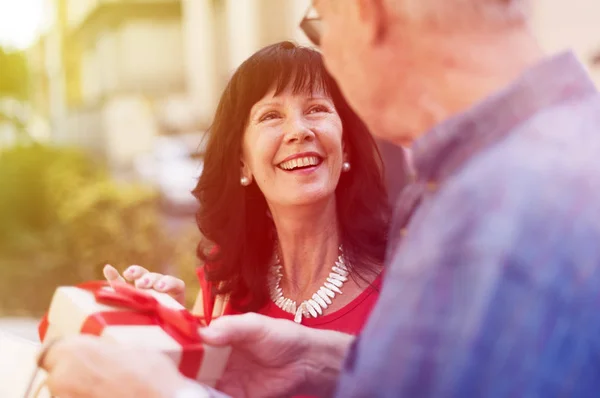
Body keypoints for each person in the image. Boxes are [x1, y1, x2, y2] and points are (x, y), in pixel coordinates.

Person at [39, 0, 600, 397]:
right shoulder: (538, 168)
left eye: (320, 23)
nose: (300, 131)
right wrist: (320, 360)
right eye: (271, 117)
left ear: (365, 12)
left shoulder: (500, 219)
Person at [104, 41, 389, 335]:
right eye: (271, 116)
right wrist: (172, 333)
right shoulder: (224, 287)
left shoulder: (403, 283)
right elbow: (195, 381)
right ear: (242, 163)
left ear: (346, 147)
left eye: (316, 108)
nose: (299, 131)